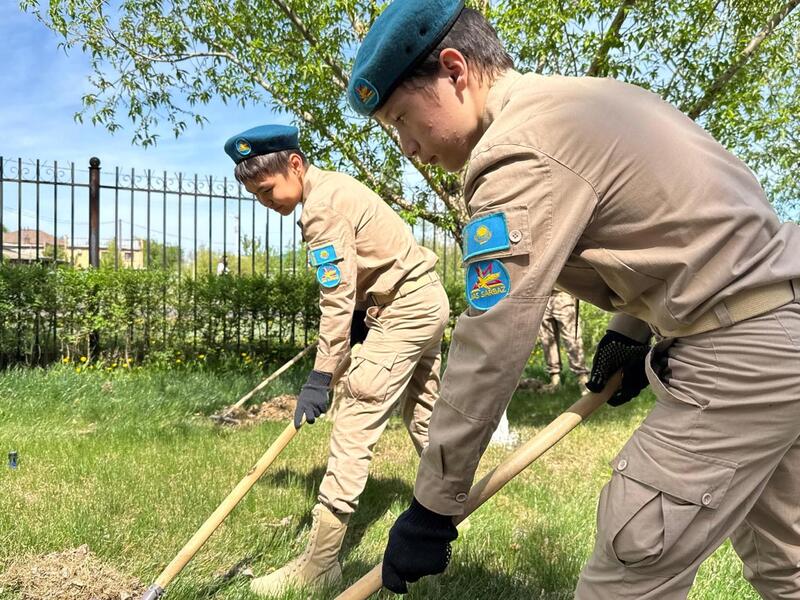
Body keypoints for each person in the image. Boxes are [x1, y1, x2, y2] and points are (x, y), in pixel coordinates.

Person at [347, 2, 800, 598]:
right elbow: (681, 231)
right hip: (777, 331)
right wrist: (627, 333)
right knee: (785, 561)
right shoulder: (587, 101)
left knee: (627, 574)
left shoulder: (517, 152)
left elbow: (493, 336)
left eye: (403, 119)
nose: (406, 146)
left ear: (455, 71)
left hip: (743, 353)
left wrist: (433, 503)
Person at [223, 124, 450, 596]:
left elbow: (337, 295)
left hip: (403, 311)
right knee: (426, 419)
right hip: (425, 299)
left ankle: (321, 564)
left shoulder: (321, 209)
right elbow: (374, 267)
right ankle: (449, 512)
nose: (266, 202)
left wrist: (323, 375)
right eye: (256, 196)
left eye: (267, 190)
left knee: (353, 424)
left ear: (295, 164)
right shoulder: (337, 186)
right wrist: (360, 324)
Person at [539, 290, 589, 389]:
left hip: (562, 295)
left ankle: (583, 381)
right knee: (547, 340)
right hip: (541, 296)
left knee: (572, 338)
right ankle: (555, 381)